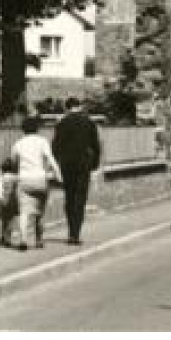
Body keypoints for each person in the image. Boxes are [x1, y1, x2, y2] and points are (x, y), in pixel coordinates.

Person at [52, 97, 102, 245]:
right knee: (80, 199)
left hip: (67, 164)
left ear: (67, 108)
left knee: (69, 197)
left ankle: (70, 231)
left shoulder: (62, 123)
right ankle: (75, 234)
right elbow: (96, 145)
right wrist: (95, 164)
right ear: (79, 106)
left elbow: (56, 145)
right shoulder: (89, 122)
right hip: (83, 164)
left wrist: (57, 163)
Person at [10, 114, 61, 249]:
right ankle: (39, 239)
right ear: (37, 129)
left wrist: (18, 169)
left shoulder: (18, 144)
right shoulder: (42, 141)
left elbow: (14, 162)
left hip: (25, 179)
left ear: (23, 129)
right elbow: (51, 159)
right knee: (39, 211)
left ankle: (23, 240)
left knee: (24, 212)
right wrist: (58, 174)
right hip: (40, 179)